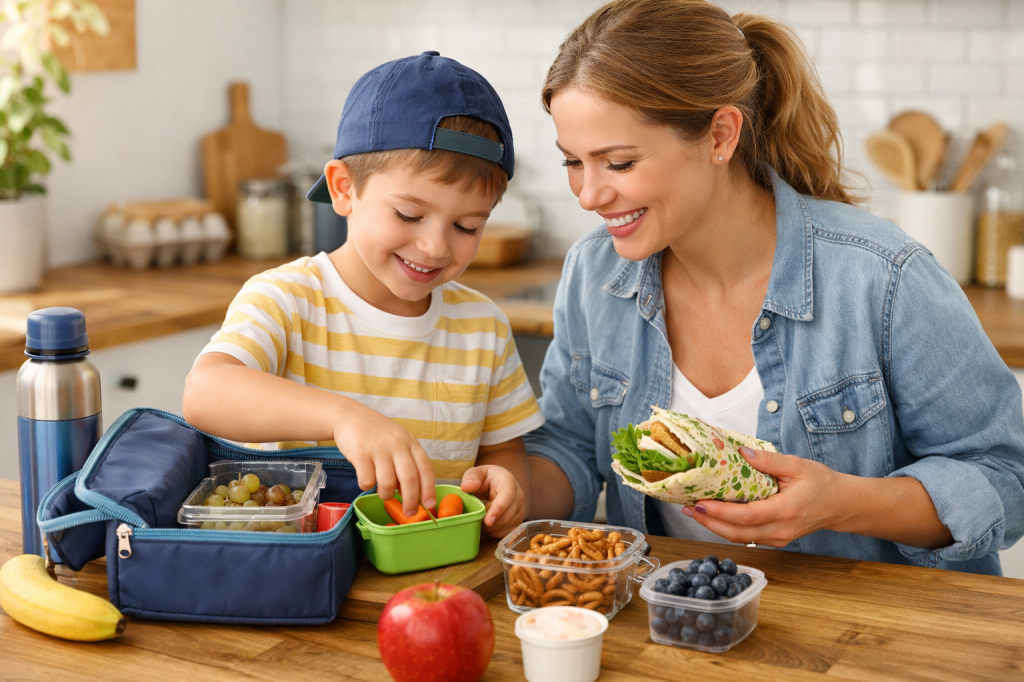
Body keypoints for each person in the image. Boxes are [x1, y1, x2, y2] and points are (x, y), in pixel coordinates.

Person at [524, 0, 1024, 574]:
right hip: (686, 620)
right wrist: (502, 486)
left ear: (719, 134)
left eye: (617, 163)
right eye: (572, 163)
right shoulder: (594, 273)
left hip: (873, 634)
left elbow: (1005, 477)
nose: (588, 195)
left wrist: (842, 504)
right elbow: (569, 448)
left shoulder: (882, 277)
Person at [183, 52, 544, 538]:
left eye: (467, 225)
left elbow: (503, 455)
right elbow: (205, 392)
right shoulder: (288, 299)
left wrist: (503, 487)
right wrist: (343, 416)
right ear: (344, 188)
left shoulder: (483, 326)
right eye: (409, 216)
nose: (435, 245)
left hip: (434, 577)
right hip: (305, 578)